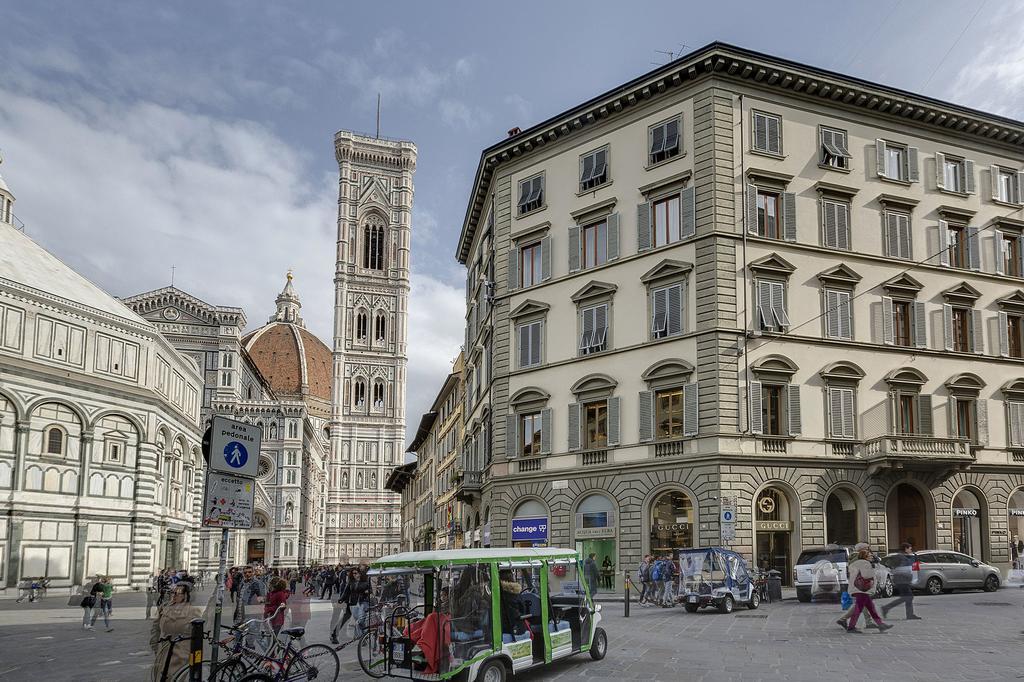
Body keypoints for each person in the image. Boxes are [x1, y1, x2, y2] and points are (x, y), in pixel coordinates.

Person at [149, 582, 201, 682]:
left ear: (186, 595)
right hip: (163, 651)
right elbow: (156, 627)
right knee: (159, 677)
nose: (174, 595)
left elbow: (196, 634)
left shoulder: (193, 611)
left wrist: (188, 653)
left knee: (174, 678)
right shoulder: (165, 607)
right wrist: (155, 644)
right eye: (173, 592)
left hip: (180, 654)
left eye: (178, 593)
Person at [843, 547, 892, 633]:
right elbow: (866, 576)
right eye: (869, 556)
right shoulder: (865, 564)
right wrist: (872, 570)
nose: (871, 557)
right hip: (862, 589)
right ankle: (851, 627)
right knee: (859, 609)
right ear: (865, 557)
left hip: (857, 588)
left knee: (871, 608)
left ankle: (881, 625)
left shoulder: (855, 563)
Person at [882, 541, 922, 621]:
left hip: (903, 579)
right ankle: (887, 607)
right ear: (906, 549)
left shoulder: (904, 556)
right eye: (910, 549)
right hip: (901, 579)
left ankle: (909, 614)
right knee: (909, 596)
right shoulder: (900, 556)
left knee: (907, 597)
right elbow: (894, 566)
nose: (911, 550)